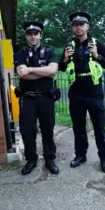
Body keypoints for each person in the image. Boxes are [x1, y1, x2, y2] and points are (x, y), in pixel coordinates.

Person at [58, 11, 105, 173]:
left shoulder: (98, 44)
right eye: (75, 25)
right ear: (72, 28)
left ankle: (104, 158)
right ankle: (81, 155)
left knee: (99, 128)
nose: (78, 27)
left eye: (81, 24)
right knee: (78, 127)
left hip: (94, 92)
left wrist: (97, 55)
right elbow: (61, 67)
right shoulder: (69, 46)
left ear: (87, 26)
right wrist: (66, 59)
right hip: (76, 93)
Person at [14, 21, 60, 175]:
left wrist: (30, 70)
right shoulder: (20, 53)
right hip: (27, 99)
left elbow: (53, 71)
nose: (33, 36)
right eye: (30, 34)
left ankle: (49, 159)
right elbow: (22, 74)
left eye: (36, 33)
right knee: (27, 131)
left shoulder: (49, 52)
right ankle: (31, 159)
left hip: (46, 98)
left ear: (41, 35)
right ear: (26, 36)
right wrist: (42, 71)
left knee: (48, 129)